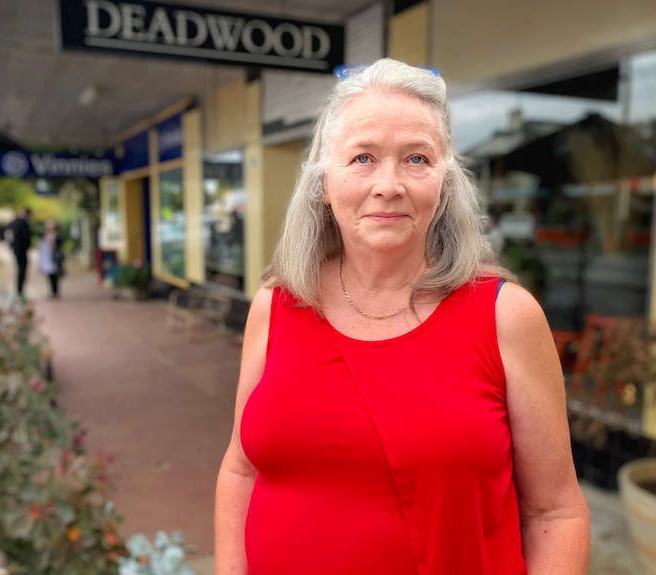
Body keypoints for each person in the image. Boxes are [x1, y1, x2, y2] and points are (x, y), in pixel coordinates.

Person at [214, 59, 590, 575]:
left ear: (444, 181)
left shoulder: (506, 317)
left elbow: (556, 512)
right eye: (363, 157)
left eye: (416, 158)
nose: (389, 184)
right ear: (324, 181)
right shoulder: (277, 306)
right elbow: (240, 468)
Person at [6, 208, 32, 299]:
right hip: (21, 250)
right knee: (22, 270)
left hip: (17, 249)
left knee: (20, 269)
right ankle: (20, 291)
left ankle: (19, 290)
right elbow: (26, 237)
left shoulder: (14, 222)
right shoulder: (22, 223)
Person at [38, 219, 64, 299]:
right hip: (47, 258)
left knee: (55, 275)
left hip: (53, 258)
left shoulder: (57, 235)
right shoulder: (45, 235)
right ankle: (52, 291)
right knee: (49, 276)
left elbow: (57, 245)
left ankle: (55, 291)